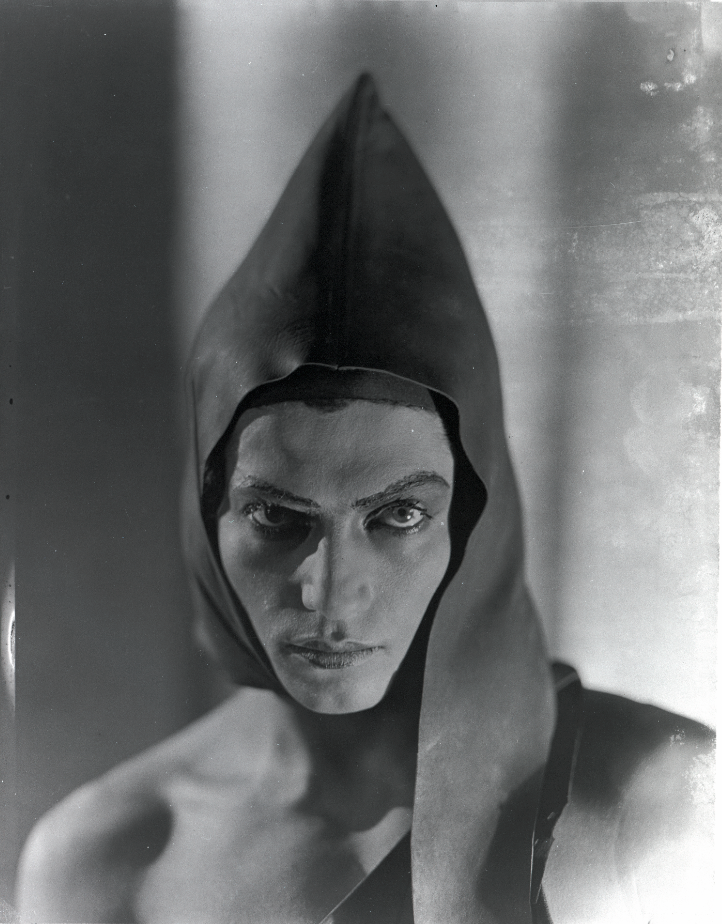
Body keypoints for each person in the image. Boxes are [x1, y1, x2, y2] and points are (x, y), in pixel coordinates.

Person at [16, 74, 713, 924]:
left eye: (398, 516)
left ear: (473, 522)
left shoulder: (659, 801)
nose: (329, 592)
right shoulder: (111, 859)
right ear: (208, 516)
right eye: (277, 517)